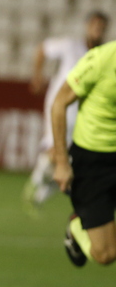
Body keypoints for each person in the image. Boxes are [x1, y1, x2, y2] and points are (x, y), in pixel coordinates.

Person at [51, 39, 116, 287]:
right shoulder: (102, 60)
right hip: (93, 163)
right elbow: (59, 102)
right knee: (106, 254)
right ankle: (76, 227)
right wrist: (62, 161)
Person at [23, 11, 108, 213]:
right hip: (60, 105)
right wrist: (37, 76)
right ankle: (38, 180)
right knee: (56, 152)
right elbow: (42, 49)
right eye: (95, 26)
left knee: (72, 161)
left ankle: (40, 189)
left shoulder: (103, 53)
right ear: (88, 26)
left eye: (102, 27)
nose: (98, 30)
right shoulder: (70, 46)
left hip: (83, 112)